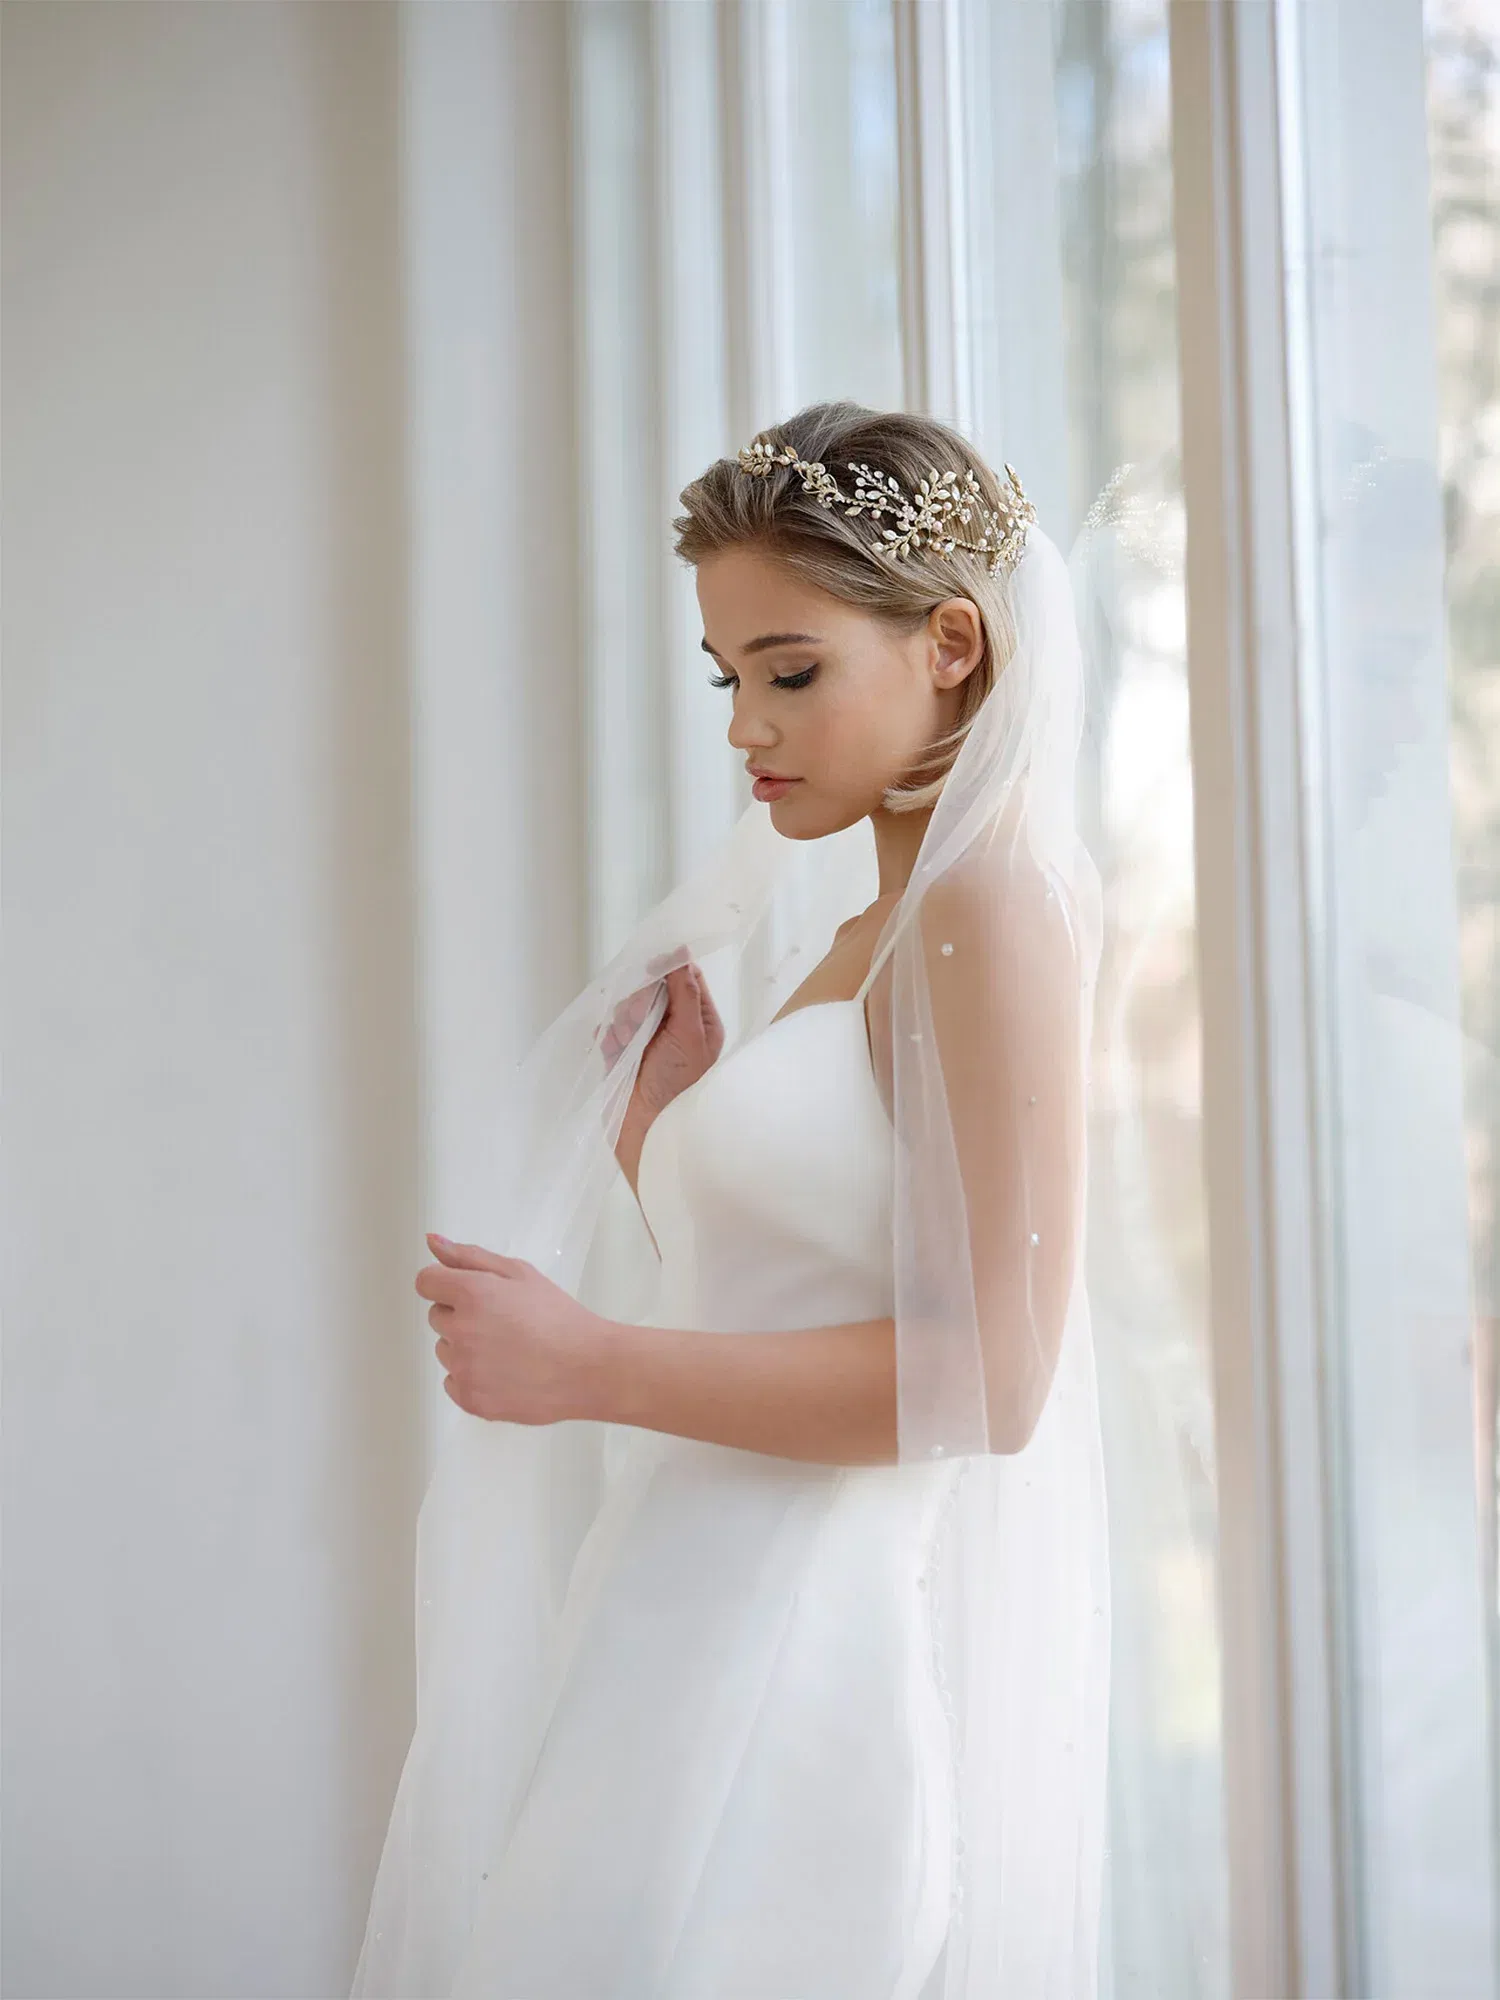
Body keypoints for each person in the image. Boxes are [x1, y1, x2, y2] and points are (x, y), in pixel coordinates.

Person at [350, 401, 1109, 1998]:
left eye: (791, 670)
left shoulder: (986, 909)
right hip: (674, 1619)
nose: (745, 727)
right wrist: (669, 1142)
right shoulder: (873, 931)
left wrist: (589, 1363)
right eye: (730, 679)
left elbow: (993, 1379)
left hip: (789, 1668)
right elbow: (821, 1291)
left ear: (953, 644)